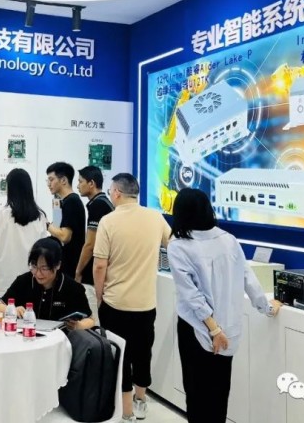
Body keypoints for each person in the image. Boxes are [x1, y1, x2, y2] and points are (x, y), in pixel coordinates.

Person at [166, 188, 281, 423]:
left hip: (198, 329)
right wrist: (267, 307)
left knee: (197, 394)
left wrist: (214, 329)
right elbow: (248, 279)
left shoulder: (179, 245)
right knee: (219, 393)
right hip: (228, 329)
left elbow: (191, 296)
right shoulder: (229, 240)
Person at [93, 173, 171, 423]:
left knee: (121, 357)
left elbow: (100, 266)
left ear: (116, 192)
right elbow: (174, 246)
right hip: (146, 303)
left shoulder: (108, 221)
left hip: (115, 303)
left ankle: (125, 411)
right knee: (142, 353)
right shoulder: (155, 218)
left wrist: (99, 296)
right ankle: (141, 401)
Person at [0, 238, 94, 330]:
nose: (38, 273)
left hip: (60, 340)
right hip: (26, 337)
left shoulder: (72, 288)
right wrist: (12, 310)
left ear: (58, 265)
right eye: (34, 266)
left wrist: (78, 326)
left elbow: (90, 320)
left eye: (44, 268)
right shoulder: (23, 281)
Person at [0, 168, 49, 301]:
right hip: (32, 283)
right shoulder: (40, 216)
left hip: (2, 284)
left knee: (1, 314)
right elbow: (43, 253)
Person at [75, 165, 114, 324]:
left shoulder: (98, 205)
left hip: (94, 277)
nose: (78, 185)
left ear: (91, 183)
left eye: (80, 181)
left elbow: (90, 244)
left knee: (93, 322)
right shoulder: (104, 202)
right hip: (105, 274)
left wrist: (78, 271)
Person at [46, 162, 86, 288]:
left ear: (63, 180)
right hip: (64, 264)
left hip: (71, 266)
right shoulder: (63, 201)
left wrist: (46, 225)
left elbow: (65, 237)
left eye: (51, 179)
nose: (48, 184)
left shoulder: (72, 201)